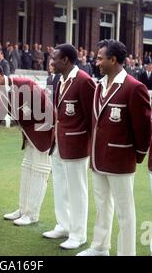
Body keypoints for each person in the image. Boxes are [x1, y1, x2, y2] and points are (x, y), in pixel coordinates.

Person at [77, 39, 152, 256]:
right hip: (99, 157)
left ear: (113, 59)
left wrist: (137, 155)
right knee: (102, 205)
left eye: (101, 58)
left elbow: (143, 127)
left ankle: (126, 253)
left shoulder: (134, 87)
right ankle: (100, 247)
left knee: (125, 212)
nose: (96, 61)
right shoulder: (99, 85)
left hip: (121, 158)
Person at [0, 62, 54, 226]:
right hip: (29, 137)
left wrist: (48, 138)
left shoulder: (27, 85)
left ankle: (32, 214)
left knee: (39, 172)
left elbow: (50, 111)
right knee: (26, 169)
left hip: (44, 136)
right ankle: (23, 210)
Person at [43, 43, 96, 250]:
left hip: (77, 144)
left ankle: (78, 234)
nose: (51, 61)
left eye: (54, 58)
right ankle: (63, 225)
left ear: (65, 60)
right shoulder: (59, 79)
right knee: (60, 186)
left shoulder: (84, 81)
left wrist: (90, 146)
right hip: (58, 143)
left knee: (77, 190)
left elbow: (93, 117)